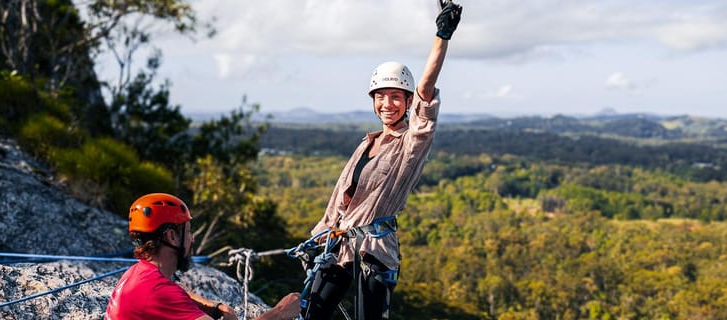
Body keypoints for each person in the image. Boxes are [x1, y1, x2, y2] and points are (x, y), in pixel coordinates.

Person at [301, 1, 463, 319]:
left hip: (375, 250)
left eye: (394, 97)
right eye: (380, 96)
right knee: (311, 313)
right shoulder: (367, 144)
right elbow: (339, 202)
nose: (386, 103)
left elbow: (426, 92)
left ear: (407, 102)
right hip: (339, 245)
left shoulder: (410, 145)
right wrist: (317, 236)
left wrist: (441, 37)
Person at [106, 193, 301, 320]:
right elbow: (167, 296)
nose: (192, 239)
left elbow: (174, 293)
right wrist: (279, 313)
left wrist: (215, 307)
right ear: (172, 237)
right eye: (188, 231)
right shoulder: (158, 292)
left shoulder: (138, 273)